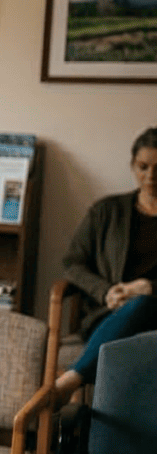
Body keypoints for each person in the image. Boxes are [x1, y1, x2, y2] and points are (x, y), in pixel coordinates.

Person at [54, 125, 157, 400]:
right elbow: (73, 263)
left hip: (154, 315)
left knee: (144, 304)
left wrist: (149, 288)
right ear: (133, 166)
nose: (151, 176)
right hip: (107, 314)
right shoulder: (106, 211)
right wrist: (106, 291)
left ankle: (70, 380)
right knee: (133, 311)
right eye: (143, 166)